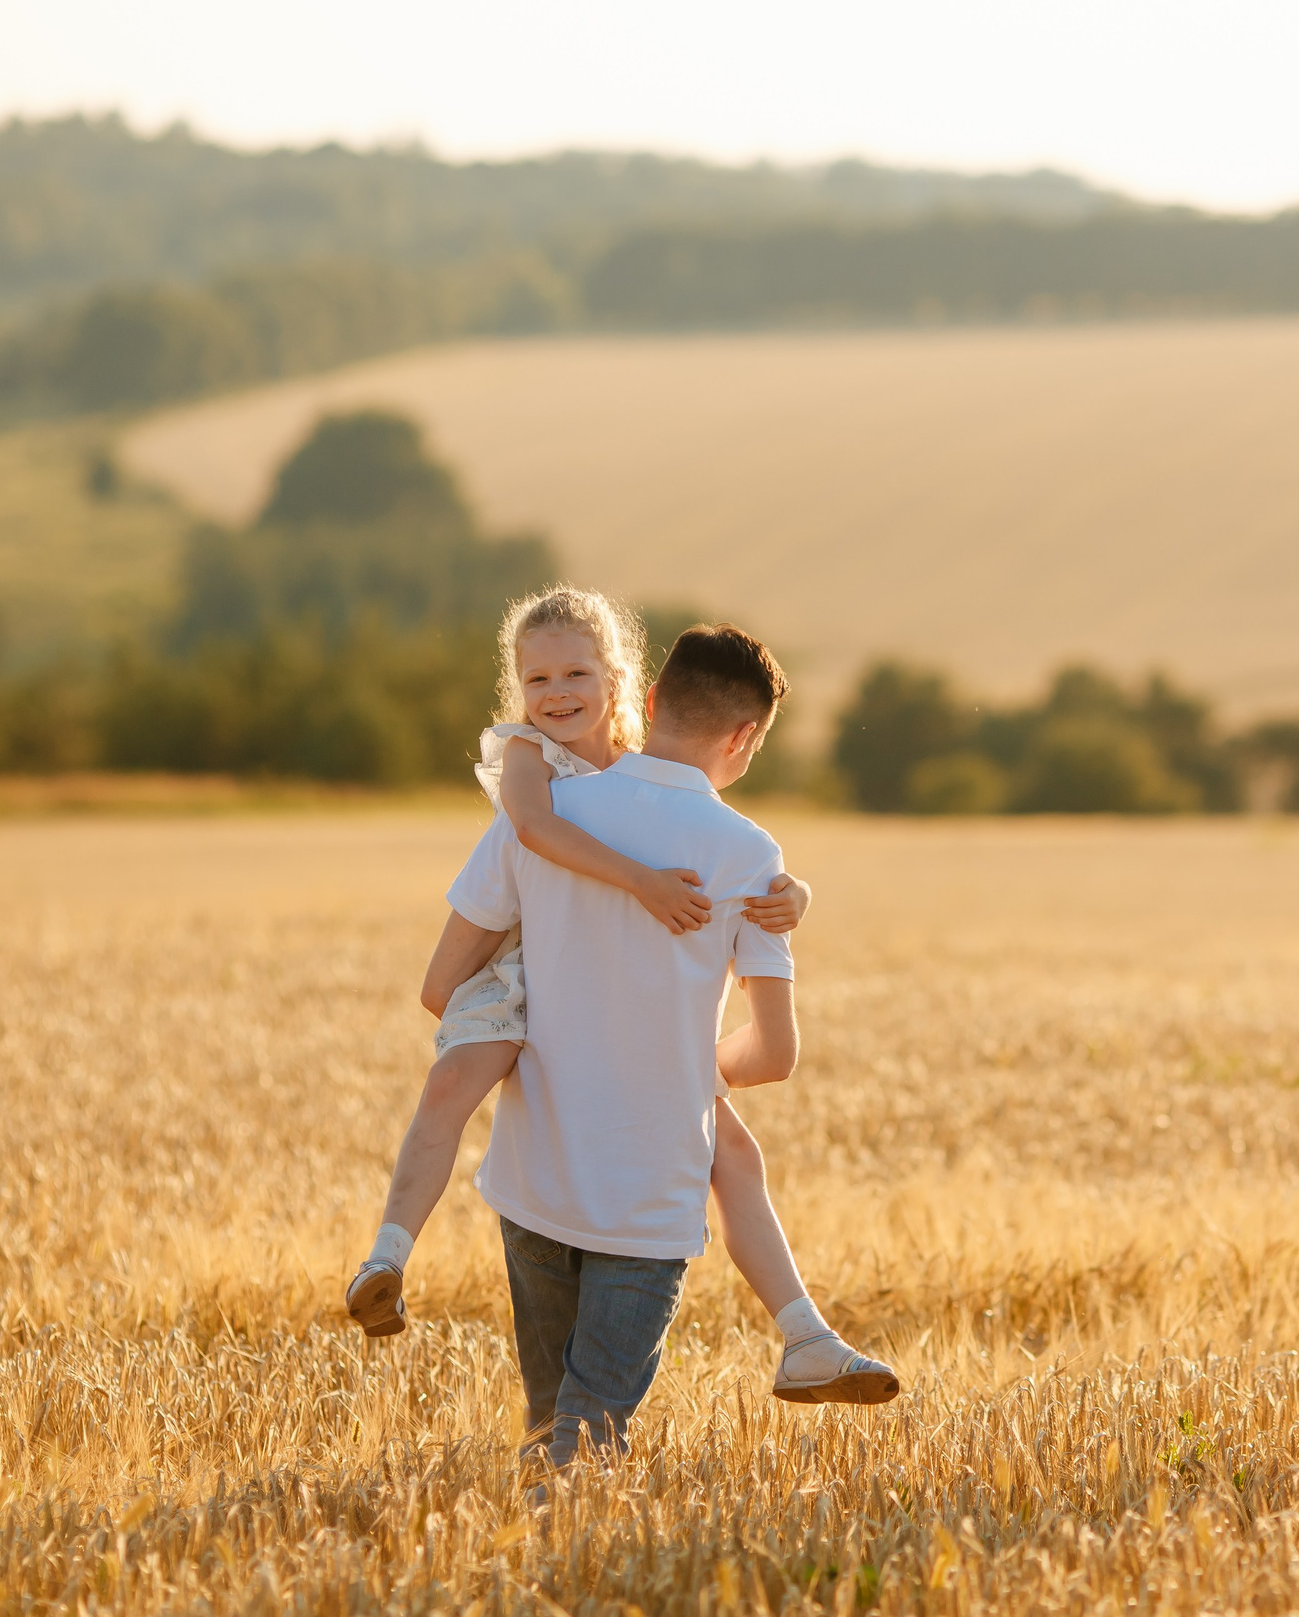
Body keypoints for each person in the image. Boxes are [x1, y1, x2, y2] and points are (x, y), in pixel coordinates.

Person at [350, 590, 896, 1422]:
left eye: (575, 673)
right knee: (589, 1430)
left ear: (638, 696)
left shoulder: (545, 810)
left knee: (551, 1424)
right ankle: (803, 1330)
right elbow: (775, 1056)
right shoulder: (747, 854)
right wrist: (672, 1060)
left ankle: (393, 1252)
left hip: (538, 1173)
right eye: (543, 677)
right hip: (651, 1185)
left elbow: (441, 983)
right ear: (745, 738)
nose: (558, 691)